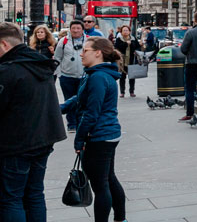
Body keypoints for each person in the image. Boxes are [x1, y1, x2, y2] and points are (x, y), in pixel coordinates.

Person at [0, 21, 67, 222]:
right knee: (35, 194)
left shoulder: (8, 70)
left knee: (10, 198)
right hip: (44, 138)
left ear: (4, 45)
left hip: (16, 144)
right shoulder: (38, 63)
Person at [59, 36, 126, 222]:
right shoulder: (95, 74)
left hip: (99, 136)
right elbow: (81, 98)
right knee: (109, 179)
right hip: (108, 134)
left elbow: (91, 113)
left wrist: (79, 139)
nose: (81, 54)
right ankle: (121, 218)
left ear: (98, 53)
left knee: (100, 186)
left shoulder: (98, 77)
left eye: (85, 50)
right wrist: (61, 108)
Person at [54, 19, 89, 131]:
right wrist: (59, 73)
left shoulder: (89, 40)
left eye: (78, 28)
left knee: (81, 100)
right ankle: (71, 124)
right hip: (66, 76)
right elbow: (57, 58)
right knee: (69, 99)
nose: (75, 30)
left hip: (83, 76)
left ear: (82, 29)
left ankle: (80, 122)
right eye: (73, 28)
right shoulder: (63, 41)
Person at [112, 24, 141, 98]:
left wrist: (135, 50)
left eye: (127, 30)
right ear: (121, 32)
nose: (125, 32)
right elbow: (117, 48)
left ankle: (132, 91)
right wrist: (126, 44)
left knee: (132, 77)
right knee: (122, 77)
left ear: (129, 31)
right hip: (122, 61)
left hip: (131, 60)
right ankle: (122, 92)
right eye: (124, 30)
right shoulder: (119, 39)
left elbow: (138, 47)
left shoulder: (133, 39)